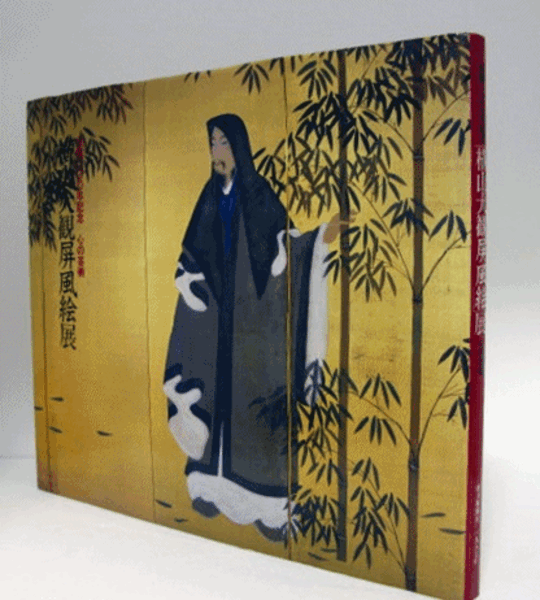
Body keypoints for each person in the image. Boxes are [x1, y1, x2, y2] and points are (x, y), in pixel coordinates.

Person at [163, 114, 340, 541]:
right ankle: (208, 485)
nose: (216, 151)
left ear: (238, 148)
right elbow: (190, 255)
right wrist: (188, 279)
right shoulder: (208, 197)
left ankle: (267, 502)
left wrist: (319, 240)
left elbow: (288, 249)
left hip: (253, 324)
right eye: (212, 143)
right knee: (207, 391)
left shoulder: (260, 195)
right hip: (211, 323)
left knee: (256, 401)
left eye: (223, 143)